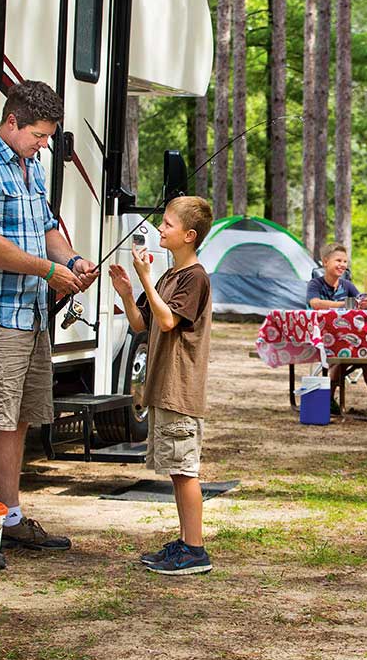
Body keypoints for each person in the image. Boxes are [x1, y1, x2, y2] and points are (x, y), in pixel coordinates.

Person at [0, 80, 97, 553]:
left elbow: (48, 228)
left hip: (30, 315)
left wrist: (71, 261)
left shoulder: (28, 167)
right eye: (39, 134)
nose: (44, 144)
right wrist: (49, 270)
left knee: (18, 420)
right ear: (12, 122)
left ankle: (10, 519)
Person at [108, 195, 215, 576]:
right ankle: (185, 542)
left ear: (189, 235)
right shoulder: (170, 276)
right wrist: (126, 292)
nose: (160, 230)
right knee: (175, 468)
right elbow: (143, 324)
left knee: (186, 469)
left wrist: (145, 279)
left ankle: (196, 549)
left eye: (167, 224)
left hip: (180, 389)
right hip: (161, 388)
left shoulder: (194, 277)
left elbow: (169, 321)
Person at [306, 243, 367, 415]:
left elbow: (360, 300)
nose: (342, 264)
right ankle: (328, 400)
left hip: (348, 337)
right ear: (325, 262)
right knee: (345, 354)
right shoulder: (315, 284)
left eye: (345, 261)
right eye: (338, 260)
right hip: (322, 337)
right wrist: (344, 304)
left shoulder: (347, 285)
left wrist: (366, 303)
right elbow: (315, 303)